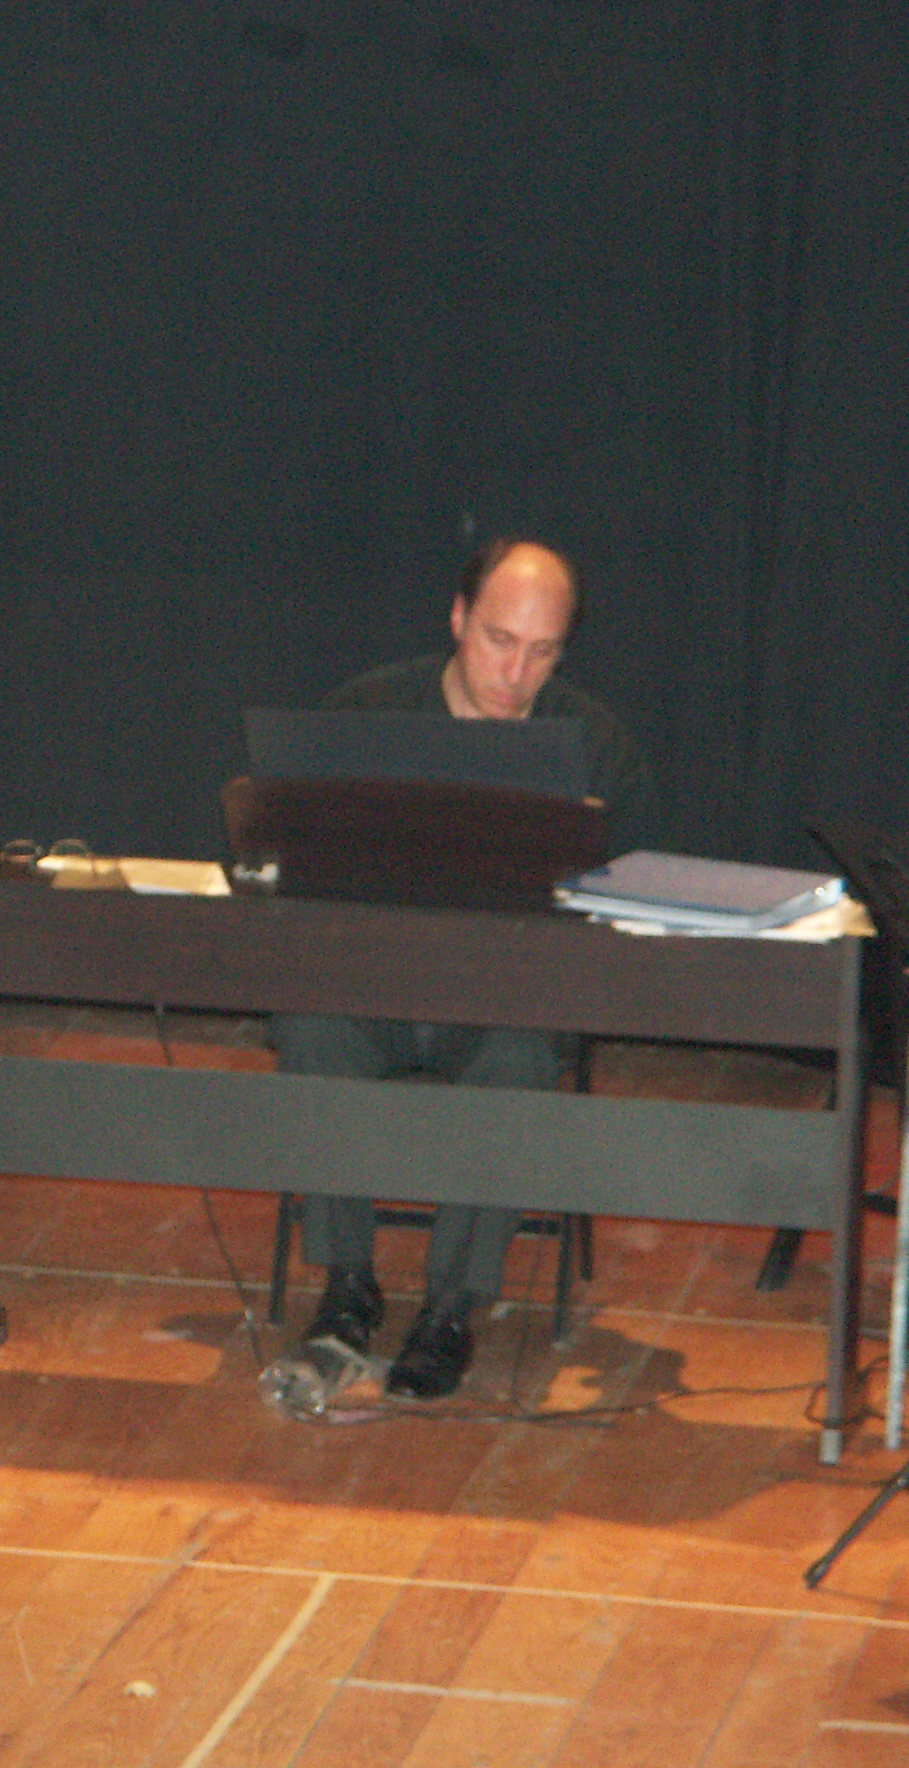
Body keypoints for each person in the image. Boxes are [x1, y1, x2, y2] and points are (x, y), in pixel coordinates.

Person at [279, 537, 653, 1400]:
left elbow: (629, 906)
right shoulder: (367, 714)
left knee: (517, 1058)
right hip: (373, 990)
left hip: (504, 1005)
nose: (516, 675)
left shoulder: (599, 747)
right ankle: (347, 1284)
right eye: (499, 640)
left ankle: (452, 1307)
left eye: (543, 652)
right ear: (457, 618)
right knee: (311, 1029)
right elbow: (294, 860)